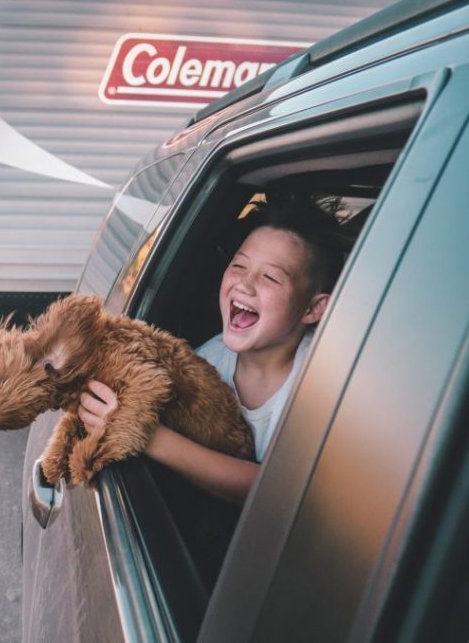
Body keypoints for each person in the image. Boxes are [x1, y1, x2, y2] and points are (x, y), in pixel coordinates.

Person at [79, 197, 346, 507]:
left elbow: (279, 493)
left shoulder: (324, 385)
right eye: (238, 266)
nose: (244, 285)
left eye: (270, 277)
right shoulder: (209, 360)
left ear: (313, 308)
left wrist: (147, 435)